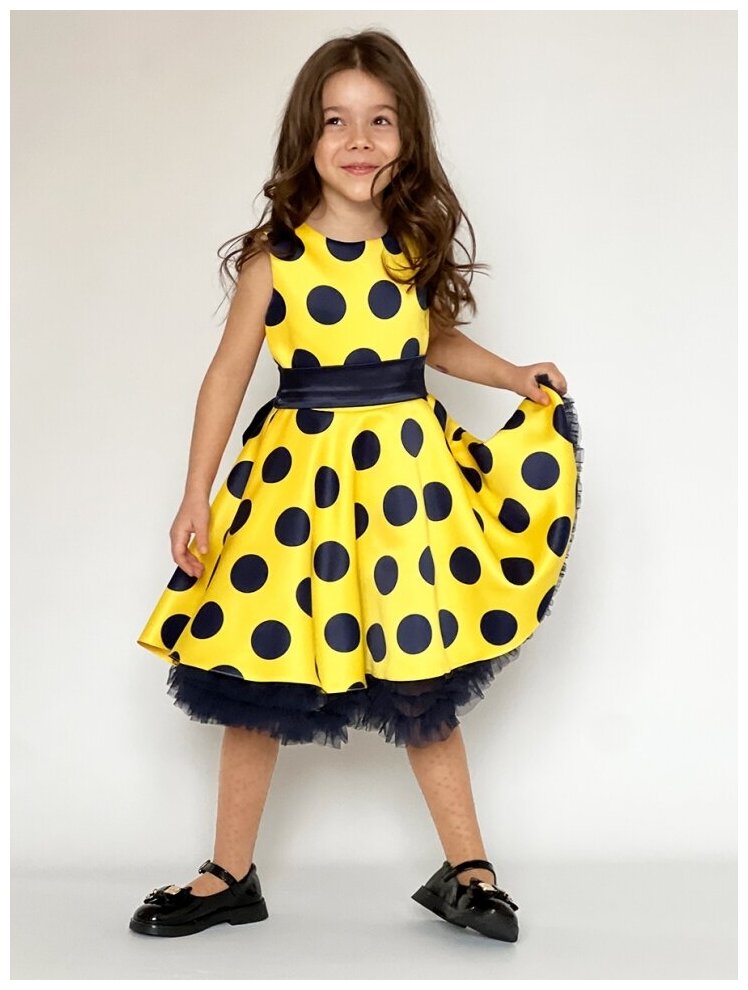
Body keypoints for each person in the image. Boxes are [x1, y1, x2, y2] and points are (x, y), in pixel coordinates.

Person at [129, 29, 584, 943]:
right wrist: (195, 494)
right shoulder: (276, 258)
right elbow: (227, 375)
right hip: (298, 492)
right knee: (259, 670)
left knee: (420, 675)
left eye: (380, 120)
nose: (359, 140)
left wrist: (510, 375)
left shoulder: (411, 248)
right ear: (306, 138)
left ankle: (469, 869)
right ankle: (228, 873)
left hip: (406, 491)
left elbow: (432, 341)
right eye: (336, 121)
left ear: (407, 137)